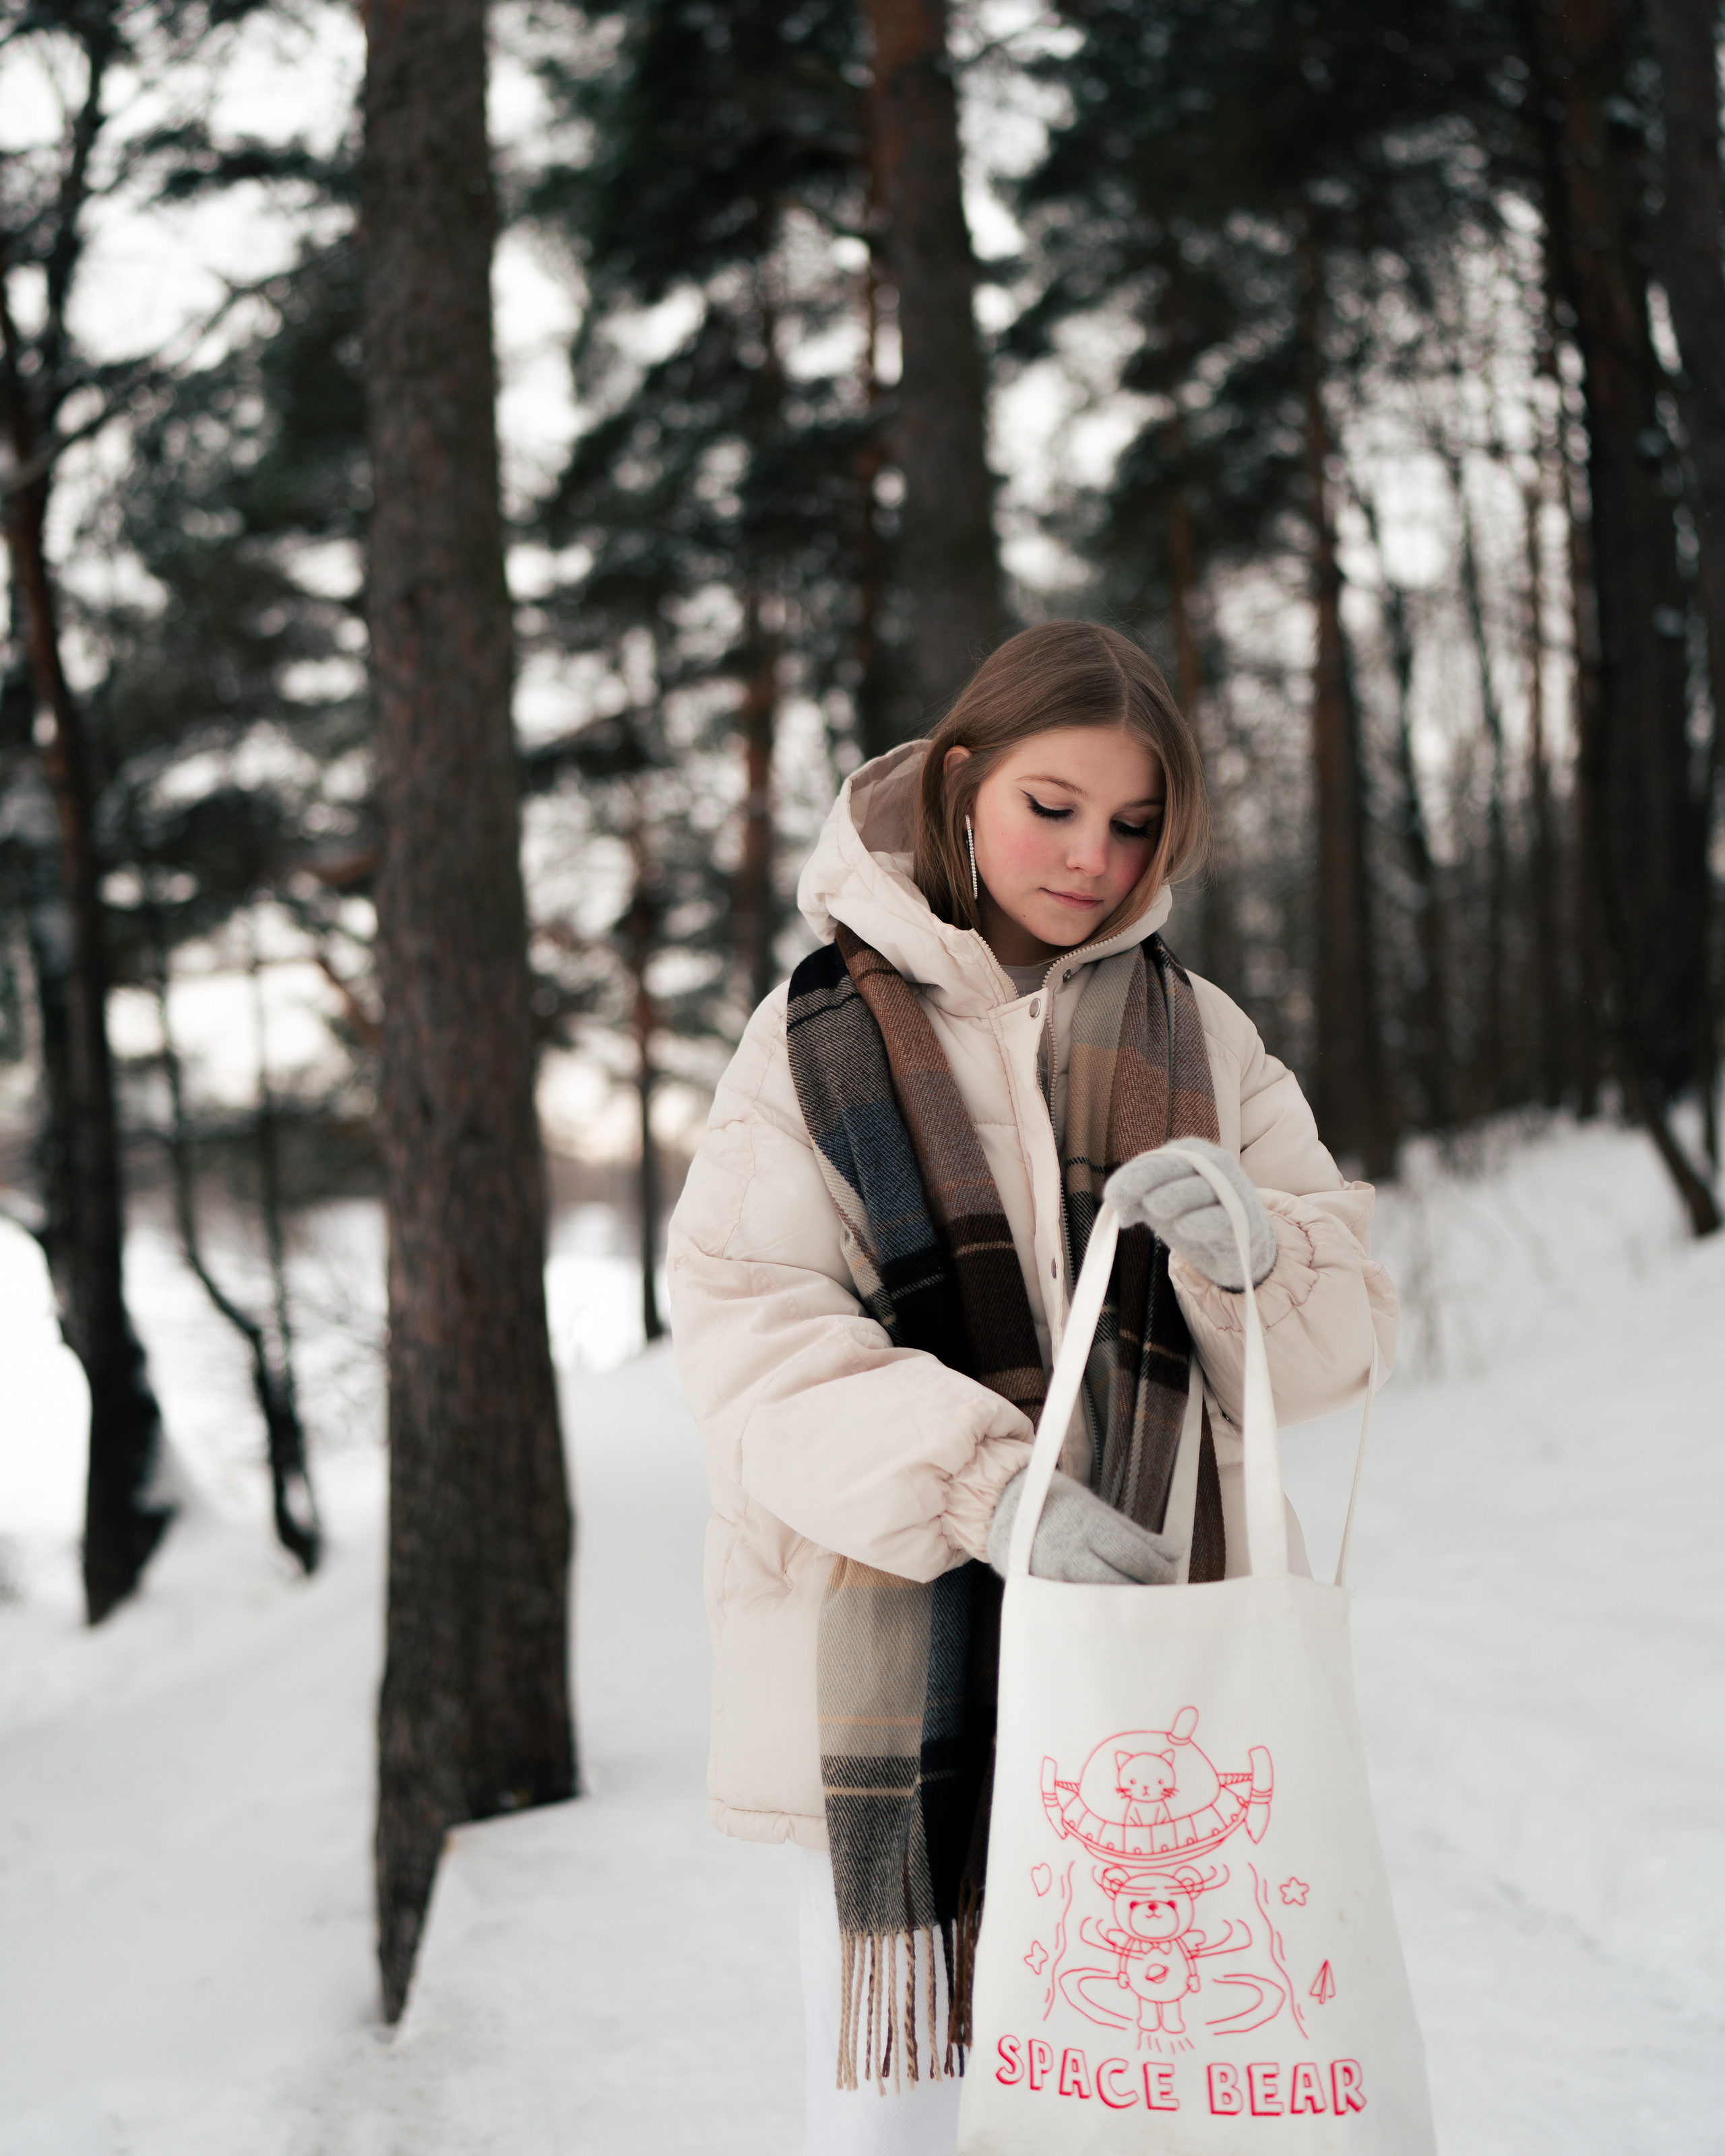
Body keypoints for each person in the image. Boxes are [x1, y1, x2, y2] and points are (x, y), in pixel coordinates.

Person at [666, 621, 1398, 2155]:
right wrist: (989, 1491)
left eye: (1133, 824)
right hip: (890, 1649)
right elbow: (752, 1333)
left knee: (1148, 2096)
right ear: (959, 783)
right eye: (1051, 806)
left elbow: (1340, 1336)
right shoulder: (809, 1038)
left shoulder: (1199, 1032)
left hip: (1154, 1673)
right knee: (905, 2115)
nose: (1092, 857)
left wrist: (1250, 1259)